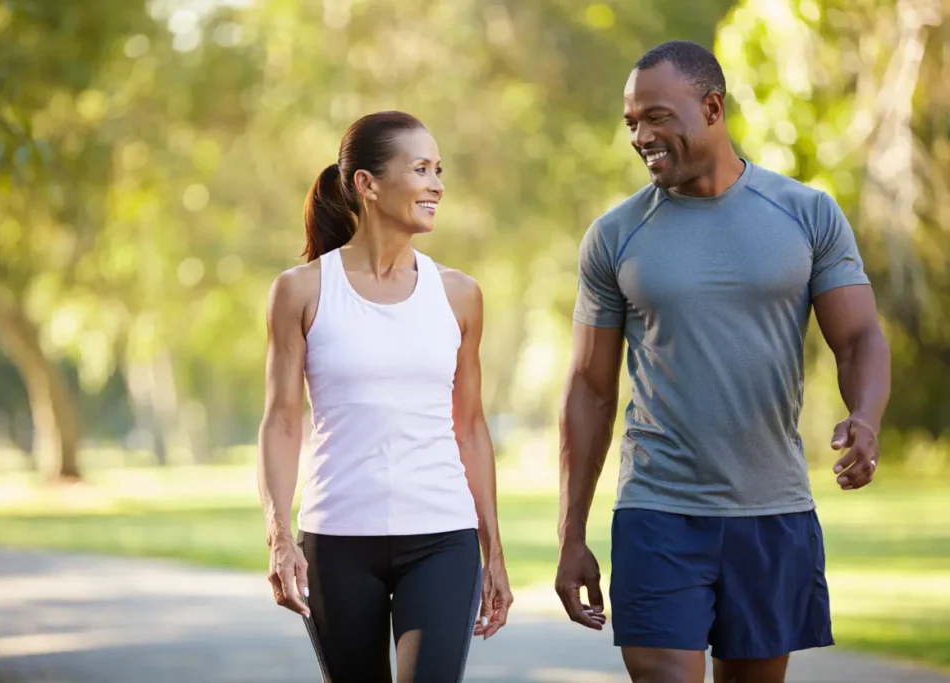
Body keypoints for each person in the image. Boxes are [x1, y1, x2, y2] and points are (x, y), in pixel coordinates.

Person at [554, 40, 891, 683]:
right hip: (657, 510)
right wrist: (572, 535)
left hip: (772, 510)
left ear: (712, 107)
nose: (642, 136)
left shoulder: (806, 213)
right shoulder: (615, 235)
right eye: (632, 122)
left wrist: (866, 415)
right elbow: (589, 390)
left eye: (657, 117)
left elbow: (859, 339)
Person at [257, 110, 513, 683]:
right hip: (337, 540)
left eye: (439, 169)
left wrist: (492, 551)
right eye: (420, 168)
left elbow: (470, 428)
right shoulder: (300, 291)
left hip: (442, 538)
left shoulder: (460, 295)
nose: (437, 185)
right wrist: (278, 534)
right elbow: (280, 423)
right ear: (366, 184)